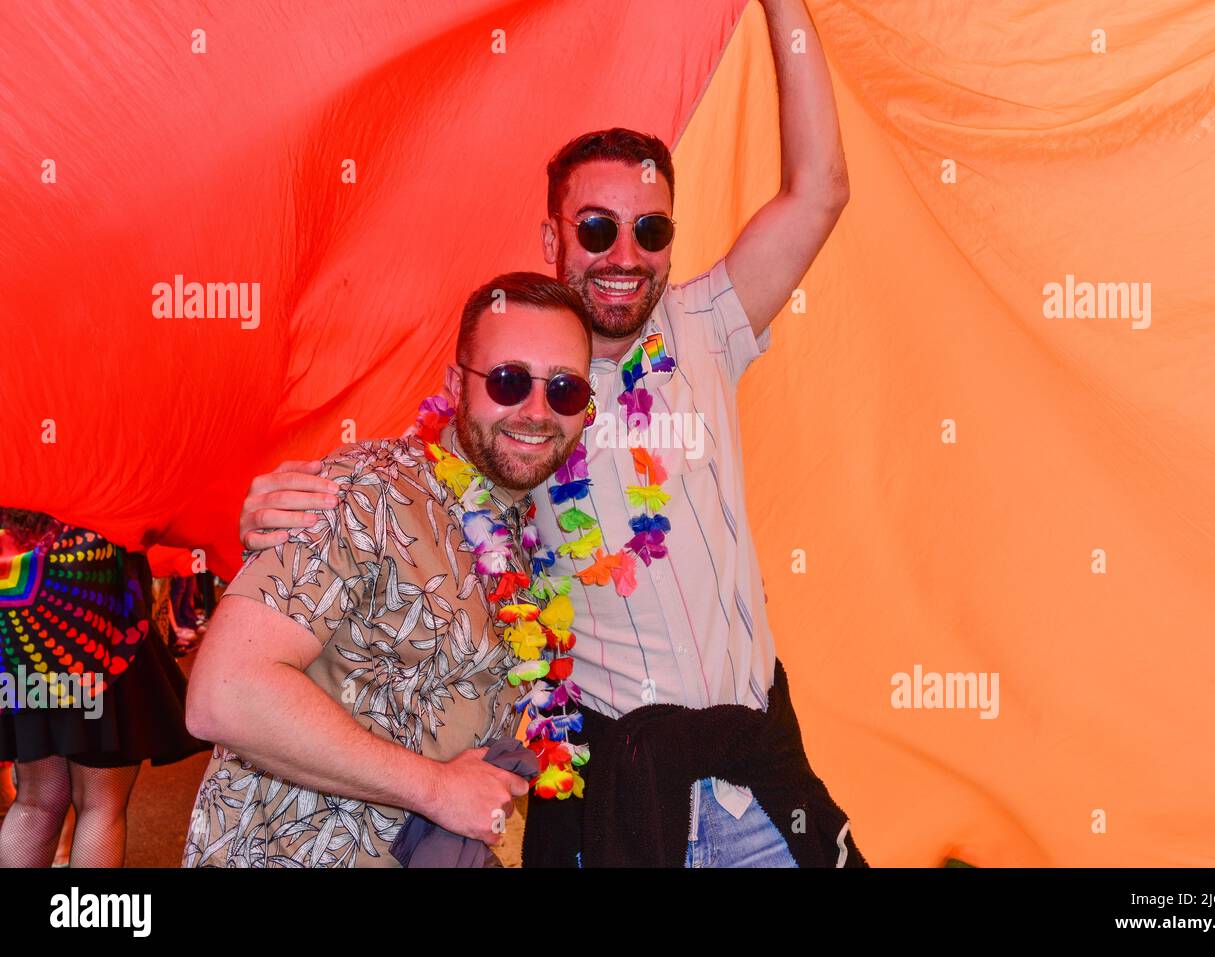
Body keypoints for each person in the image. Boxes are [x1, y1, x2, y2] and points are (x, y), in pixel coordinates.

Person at [236, 0, 863, 867]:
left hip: (757, 778)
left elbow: (821, 189)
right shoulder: (516, 395)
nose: (624, 253)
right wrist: (291, 507)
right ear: (552, 238)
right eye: (597, 228)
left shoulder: (707, 324)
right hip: (627, 799)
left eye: (650, 230)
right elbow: (410, 492)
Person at [182, 272, 594, 867]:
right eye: (507, 381)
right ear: (457, 385)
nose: (536, 411)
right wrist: (436, 788)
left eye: (564, 390)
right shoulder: (364, 489)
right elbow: (224, 692)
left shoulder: (527, 535)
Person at [0, 508, 208, 868]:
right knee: (100, 803)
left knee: (36, 801)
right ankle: (86, 917)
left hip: (24, 641)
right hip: (100, 636)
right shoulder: (98, 467)